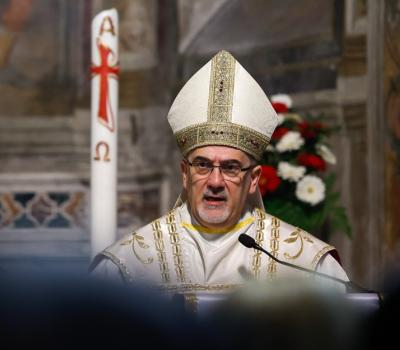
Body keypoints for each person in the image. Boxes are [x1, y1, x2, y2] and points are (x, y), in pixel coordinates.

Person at [90, 50, 349, 292]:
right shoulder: (129, 264)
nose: (215, 180)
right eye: (202, 165)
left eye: (230, 167)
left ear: (253, 179)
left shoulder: (305, 264)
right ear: (184, 173)